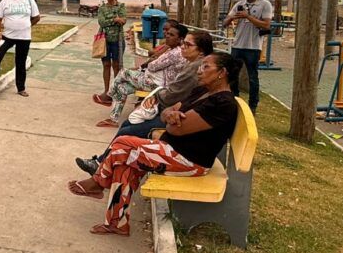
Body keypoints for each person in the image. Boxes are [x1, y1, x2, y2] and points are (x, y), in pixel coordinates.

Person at [67, 52, 240, 236]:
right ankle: (117, 223)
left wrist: (170, 119)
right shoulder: (203, 91)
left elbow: (176, 130)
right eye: (200, 66)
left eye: (206, 67)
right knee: (125, 163)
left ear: (222, 73)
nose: (199, 71)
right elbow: (168, 111)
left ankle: (98, 182)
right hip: (171, 150)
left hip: (189, 161)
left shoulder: (222, 103)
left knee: (122, 145)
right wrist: (170, 116)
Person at [76, 30, 216, 175]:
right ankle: (101, 163)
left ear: (201, 51)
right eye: (183, 43)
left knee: (127, 132)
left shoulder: (195, 68)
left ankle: (101, 166)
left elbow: (172, 95)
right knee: (127, 123)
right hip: (170, 108)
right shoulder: (190, 62)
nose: (183, 47)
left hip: (175, 117)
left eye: (188, 45)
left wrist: (154, 98)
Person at [95, 23, 189, 127]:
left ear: (180, 39)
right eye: (167, 33)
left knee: (123, 72)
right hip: (154, 81)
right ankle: (113, 119)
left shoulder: (175, 53)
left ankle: (109, 96)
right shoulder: (173, 50)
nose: (167, 35)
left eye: (171, 35)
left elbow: (152, 66)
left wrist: (153, 62)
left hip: (157, 86)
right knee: (122, 88)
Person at [222, 0, 272, 113]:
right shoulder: (240, 3)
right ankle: (235, 101)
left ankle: (253, 105)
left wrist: (247, 16)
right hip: (237, 45)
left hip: (253, 46)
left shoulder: (265, 4)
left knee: (252, 77)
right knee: (232, 75)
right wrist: (232, 17)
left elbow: (266, 25)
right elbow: (224, 22)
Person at [93, 0, 127, 105]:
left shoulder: (121, 6)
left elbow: (123, 20)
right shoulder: (102, 8)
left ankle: (115, 91)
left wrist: (117, 20)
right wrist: (115, 20)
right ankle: (107, 91)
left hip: (118, 40)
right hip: (104, 41)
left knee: (117, 65)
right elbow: (101, 22)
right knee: (106, 65)